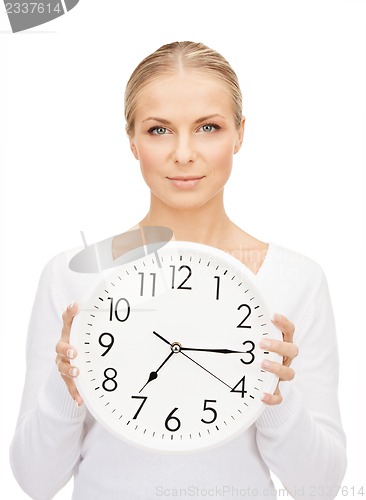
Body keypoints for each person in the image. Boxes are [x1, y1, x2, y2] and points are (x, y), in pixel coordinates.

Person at [10, 41, 346, 499]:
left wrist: (272, 395)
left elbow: (319, 488)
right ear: (132, 139)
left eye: (208, 127)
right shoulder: (76, 275)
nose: (184, 153)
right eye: (159, 130)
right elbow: (35, 481)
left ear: (240, 134)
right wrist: (63, 385)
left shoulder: (297, 280)